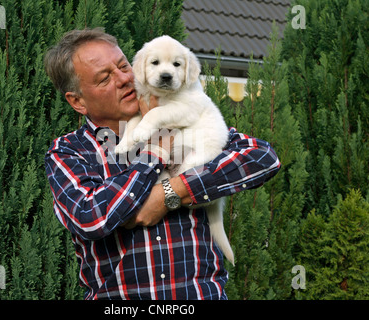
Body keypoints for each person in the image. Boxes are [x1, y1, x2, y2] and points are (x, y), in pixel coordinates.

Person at [43, 28, 281, 300]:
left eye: (123, 66)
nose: (124, 79)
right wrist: (156, 152)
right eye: (105, 78)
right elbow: (92, 217)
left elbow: (263, 158)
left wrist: (172, 192)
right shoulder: (70, 152)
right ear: (78, 101)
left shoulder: (187, 118)